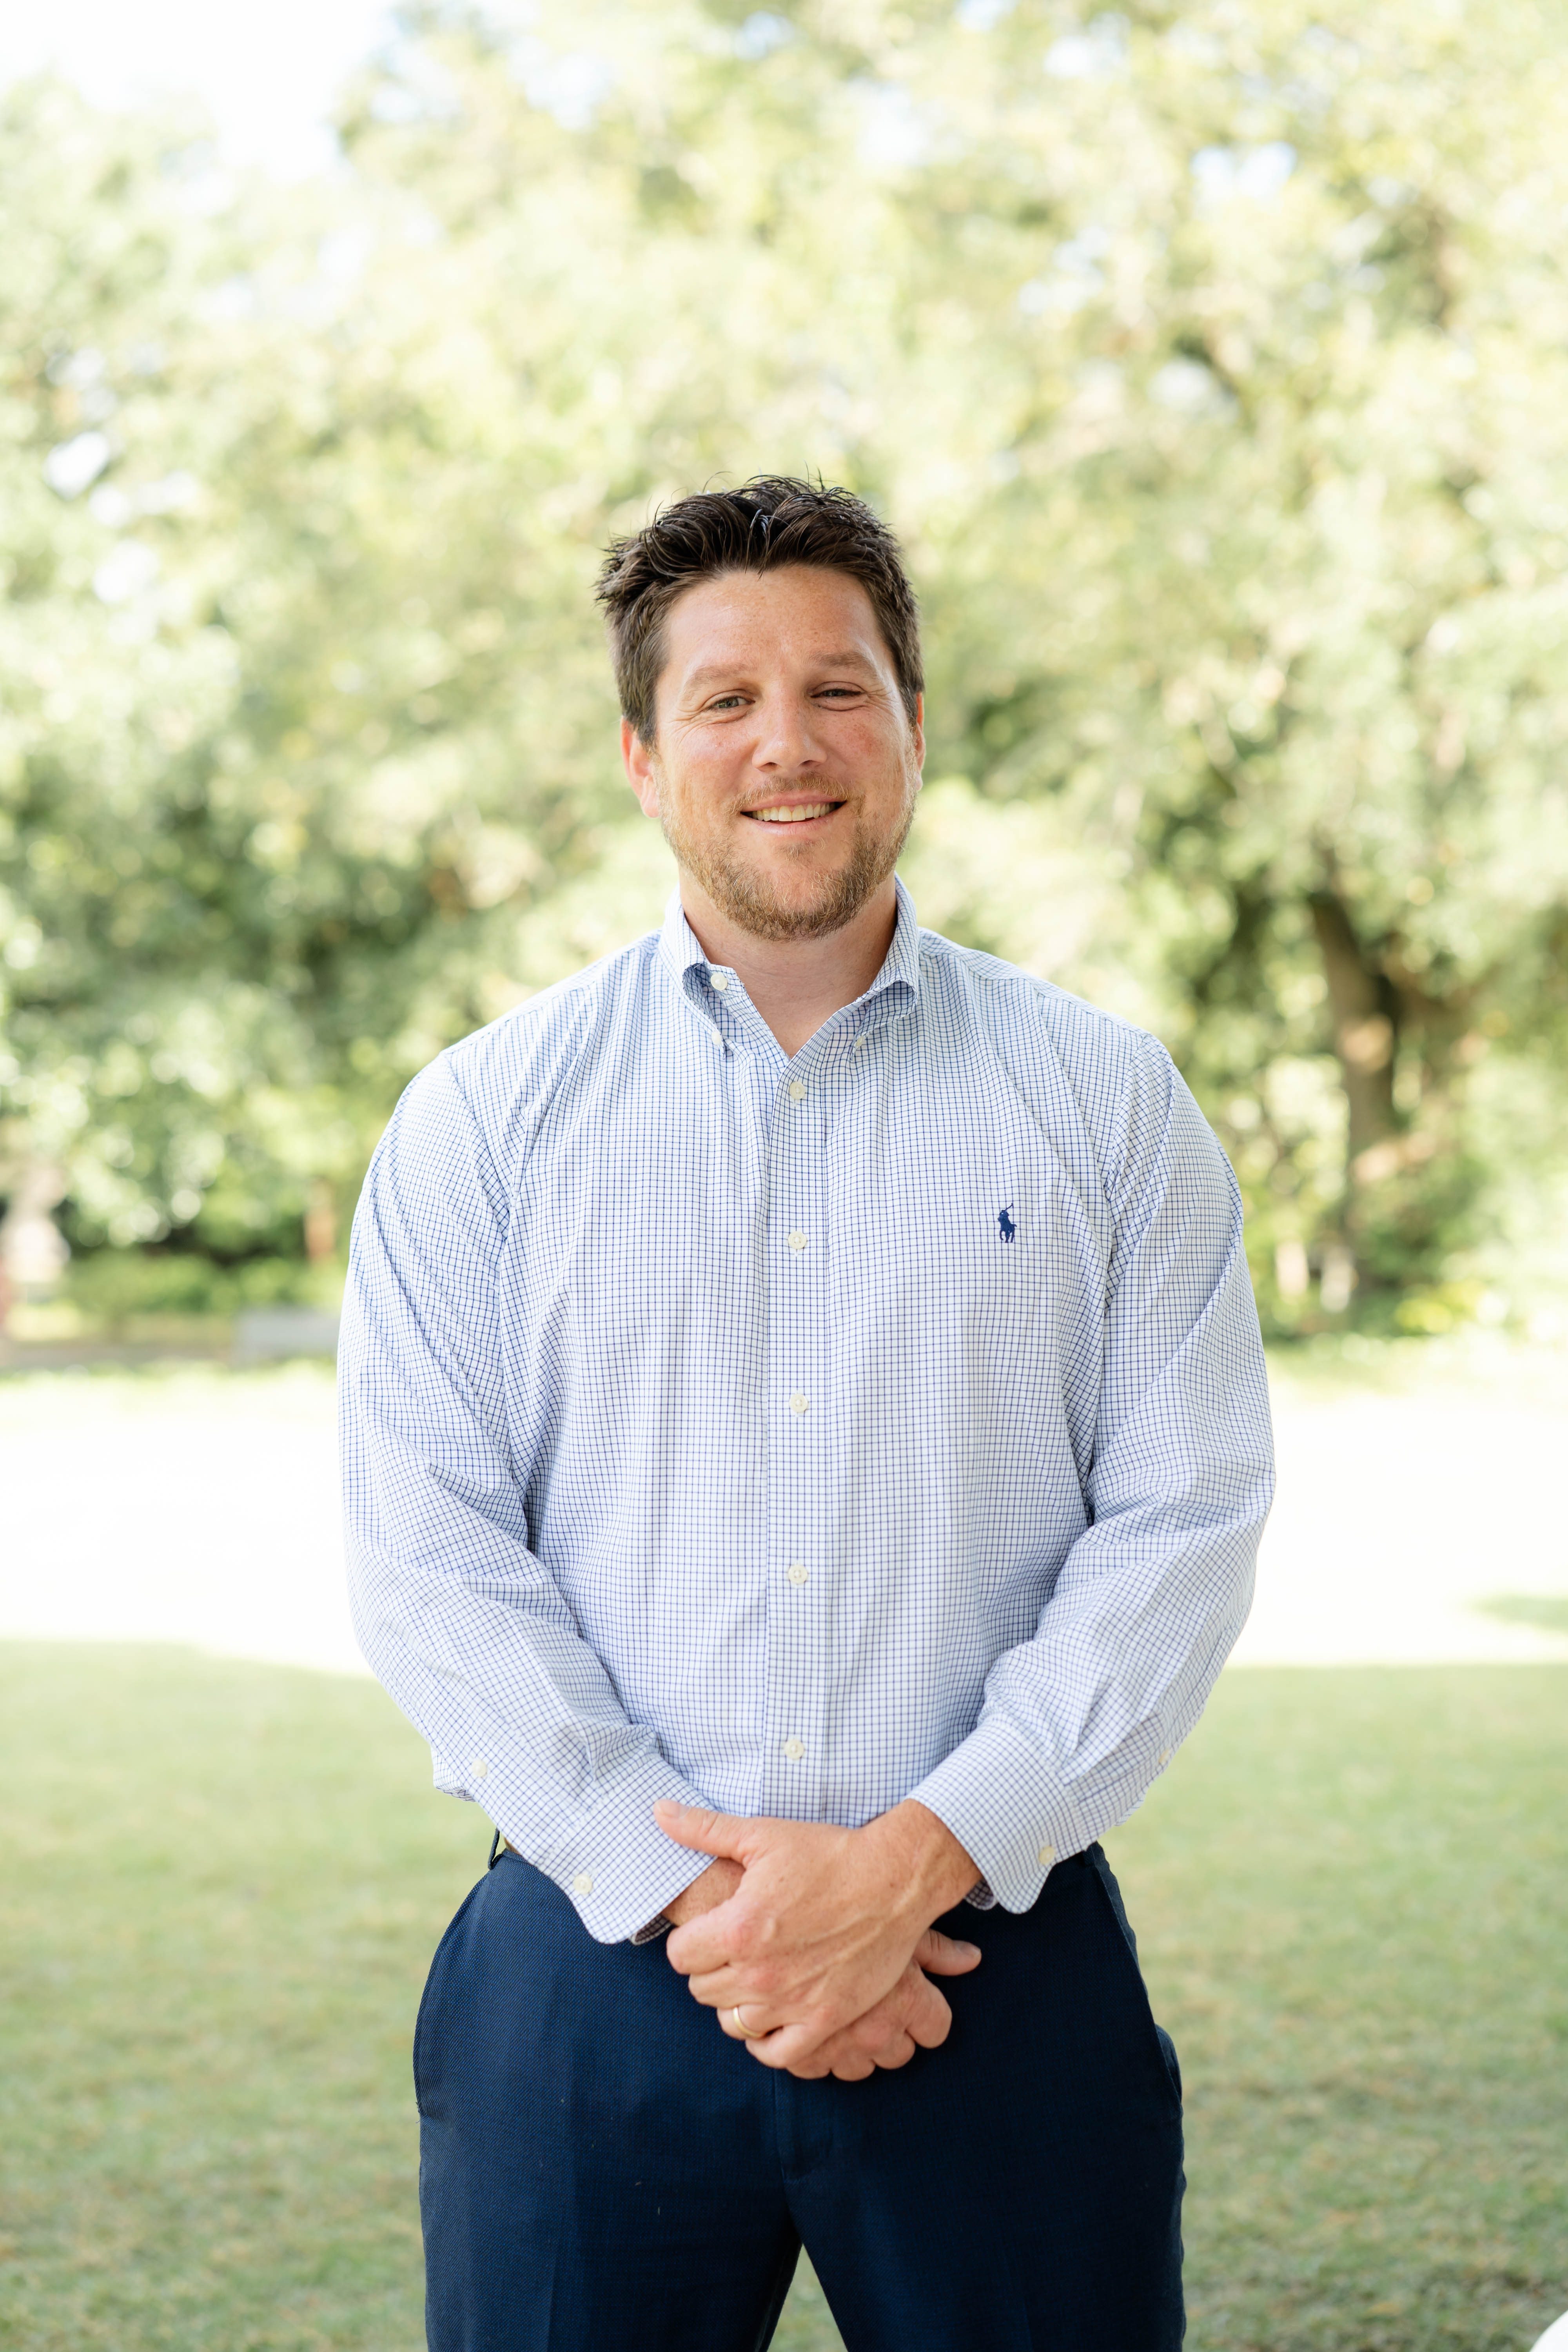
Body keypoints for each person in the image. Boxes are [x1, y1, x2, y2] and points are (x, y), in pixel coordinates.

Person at [340, 475, 1274, 2351]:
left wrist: (916, 1860)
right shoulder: (481, 1121)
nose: (790, 744)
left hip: (992, 1969)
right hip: (588, 1977)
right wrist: (715, 1907)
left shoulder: (1104, 1103)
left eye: (841, 691)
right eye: (726, 699)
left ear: (914, 729)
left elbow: (1181, 1528)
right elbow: (429, 1553)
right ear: (639, 753)